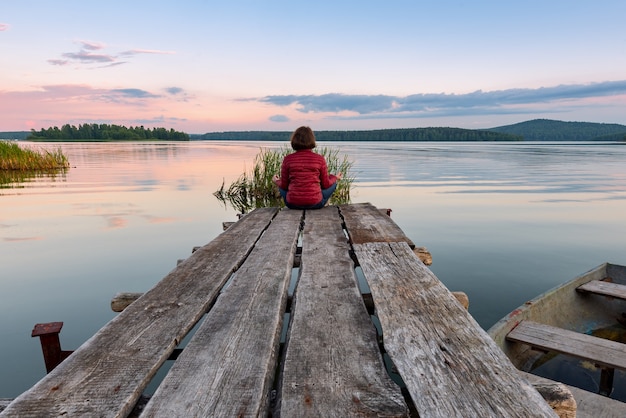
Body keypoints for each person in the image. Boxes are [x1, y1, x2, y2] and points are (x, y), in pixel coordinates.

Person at [272, 126, 343, 209]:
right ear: (312, 140)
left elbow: (284, 186)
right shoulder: (319, 159)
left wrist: (276, 181)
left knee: (282, 188)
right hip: (315, 203)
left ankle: (298, 199)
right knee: (333, 183)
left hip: (292, 204)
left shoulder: (288, 159)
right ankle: (324, 201)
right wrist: (335, 177)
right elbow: (325, 185)